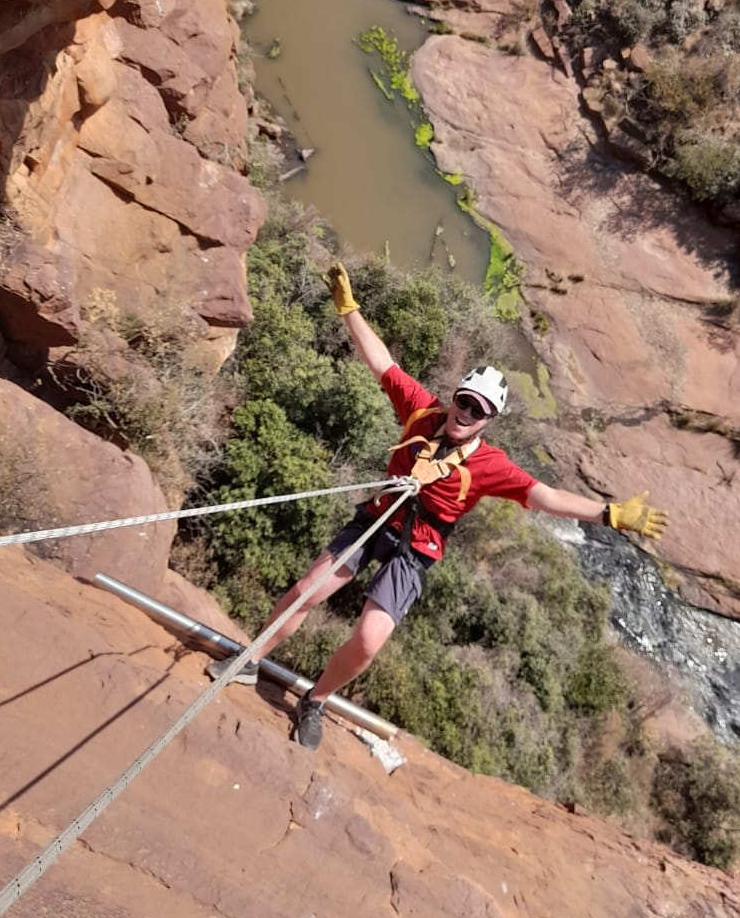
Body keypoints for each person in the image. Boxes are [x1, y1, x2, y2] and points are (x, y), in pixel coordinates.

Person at [207, 261, 667, 750]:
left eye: (478, 410)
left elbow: (545, 496)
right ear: (455, 398)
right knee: (307, 591)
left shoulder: (491, 465)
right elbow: (382, 363)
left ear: (490, 420)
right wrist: (349, 309)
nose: (466, 413)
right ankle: (249, 660)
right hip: (378, 519)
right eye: (464, 402)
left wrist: (608, 514)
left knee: (368, 640)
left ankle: (316, 700)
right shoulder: (422, 412)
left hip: (416, 550)